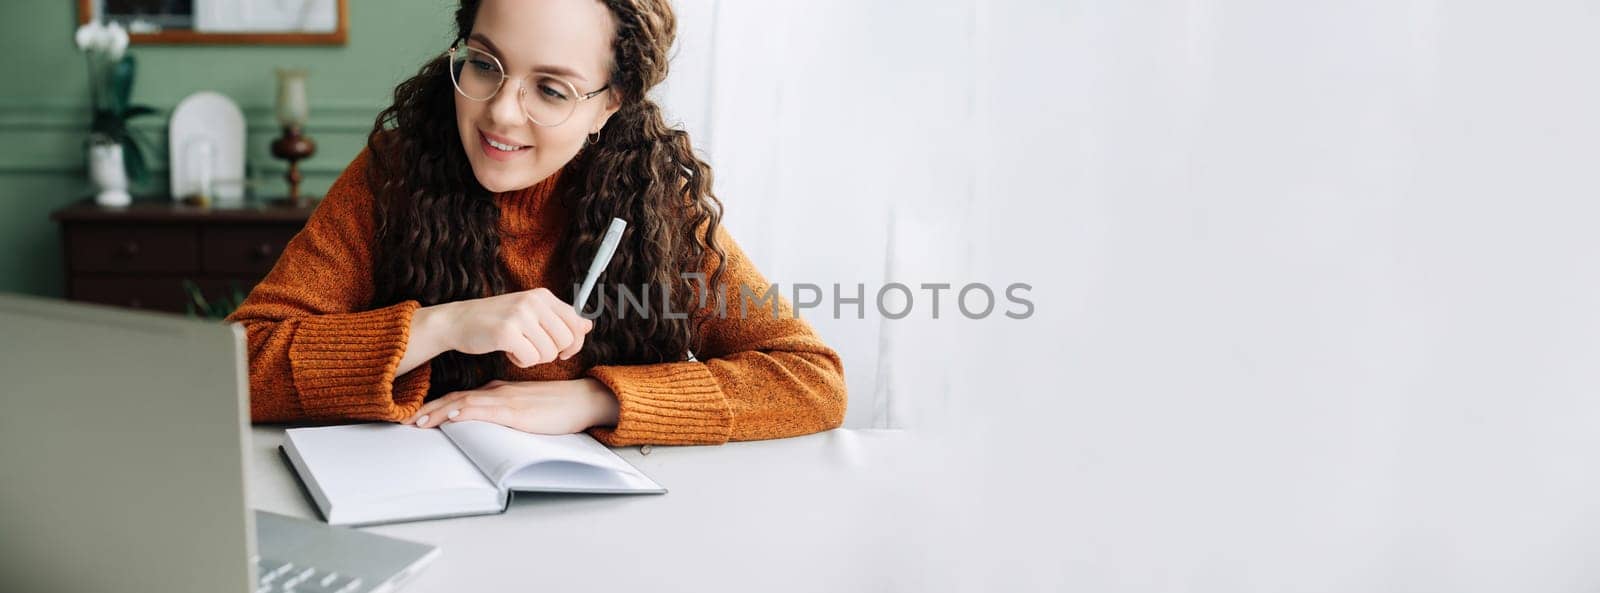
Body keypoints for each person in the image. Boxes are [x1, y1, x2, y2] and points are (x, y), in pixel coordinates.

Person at [225, 0, 846, 447]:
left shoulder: (655, 202)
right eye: (485, 64)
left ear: (610, 103)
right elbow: (234, 369)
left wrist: (593, 400)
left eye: (550, 90)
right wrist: (445, 325)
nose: (499, 113)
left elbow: (810, 378)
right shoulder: (393, 175)